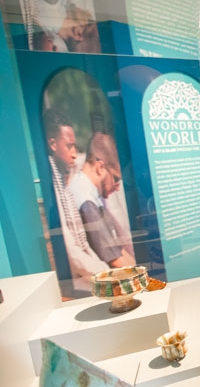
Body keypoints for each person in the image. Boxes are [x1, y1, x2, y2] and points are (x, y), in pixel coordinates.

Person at [44, 110, 108, 286]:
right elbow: (71, 250)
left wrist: (106, 272)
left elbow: (82, 245)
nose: (74, 154)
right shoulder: (53, 186)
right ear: (53, 144)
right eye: (69, 146)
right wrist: (107, 275)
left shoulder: (62, 182)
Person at [69, 132, 135, 269]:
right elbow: (115, 260)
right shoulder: (86, 199)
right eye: (116, 179)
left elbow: (116, 249)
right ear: (100, 167)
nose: (117, 188)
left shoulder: (88, 192)